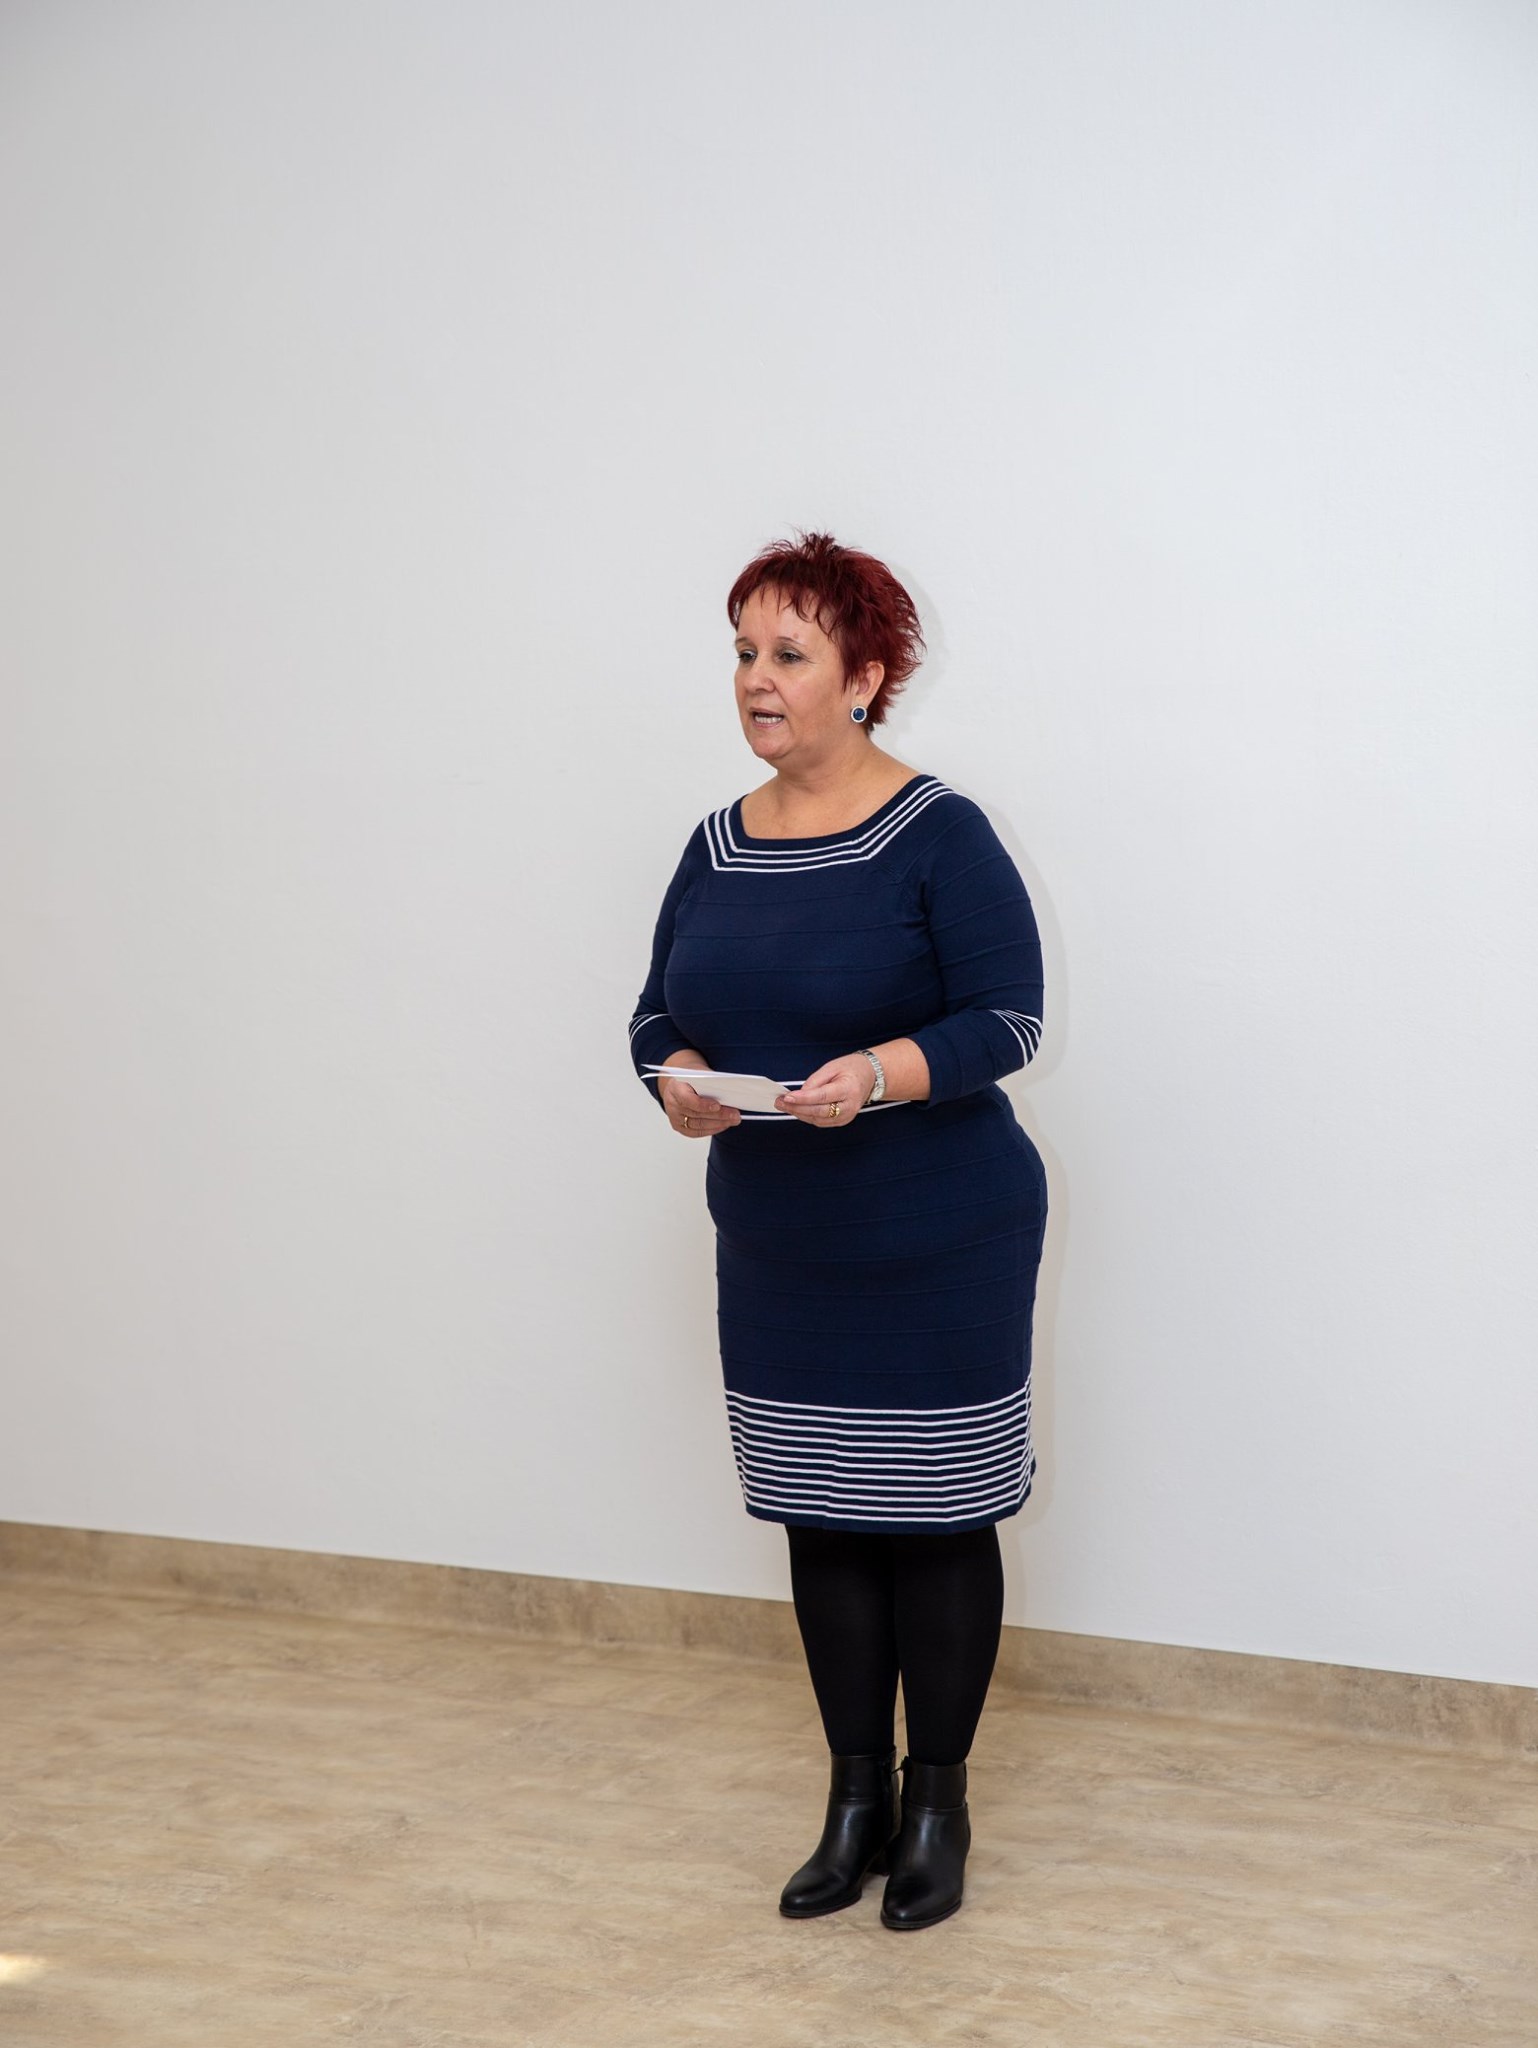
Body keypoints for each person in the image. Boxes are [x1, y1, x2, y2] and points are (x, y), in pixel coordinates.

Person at [627, 530, 1048, 1932]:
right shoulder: (713, 845)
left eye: (789, 654)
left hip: (939, 1238)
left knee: (932, 1518)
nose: (757, 678)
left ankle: (937, 1807)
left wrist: (875, 1072)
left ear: (863, 679)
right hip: (780, 1241)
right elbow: (656, 1012)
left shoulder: (938, 834)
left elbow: (1008, 1019)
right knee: (821, 1512)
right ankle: (853, 1799)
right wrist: (676, 1078)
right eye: (744, 652)